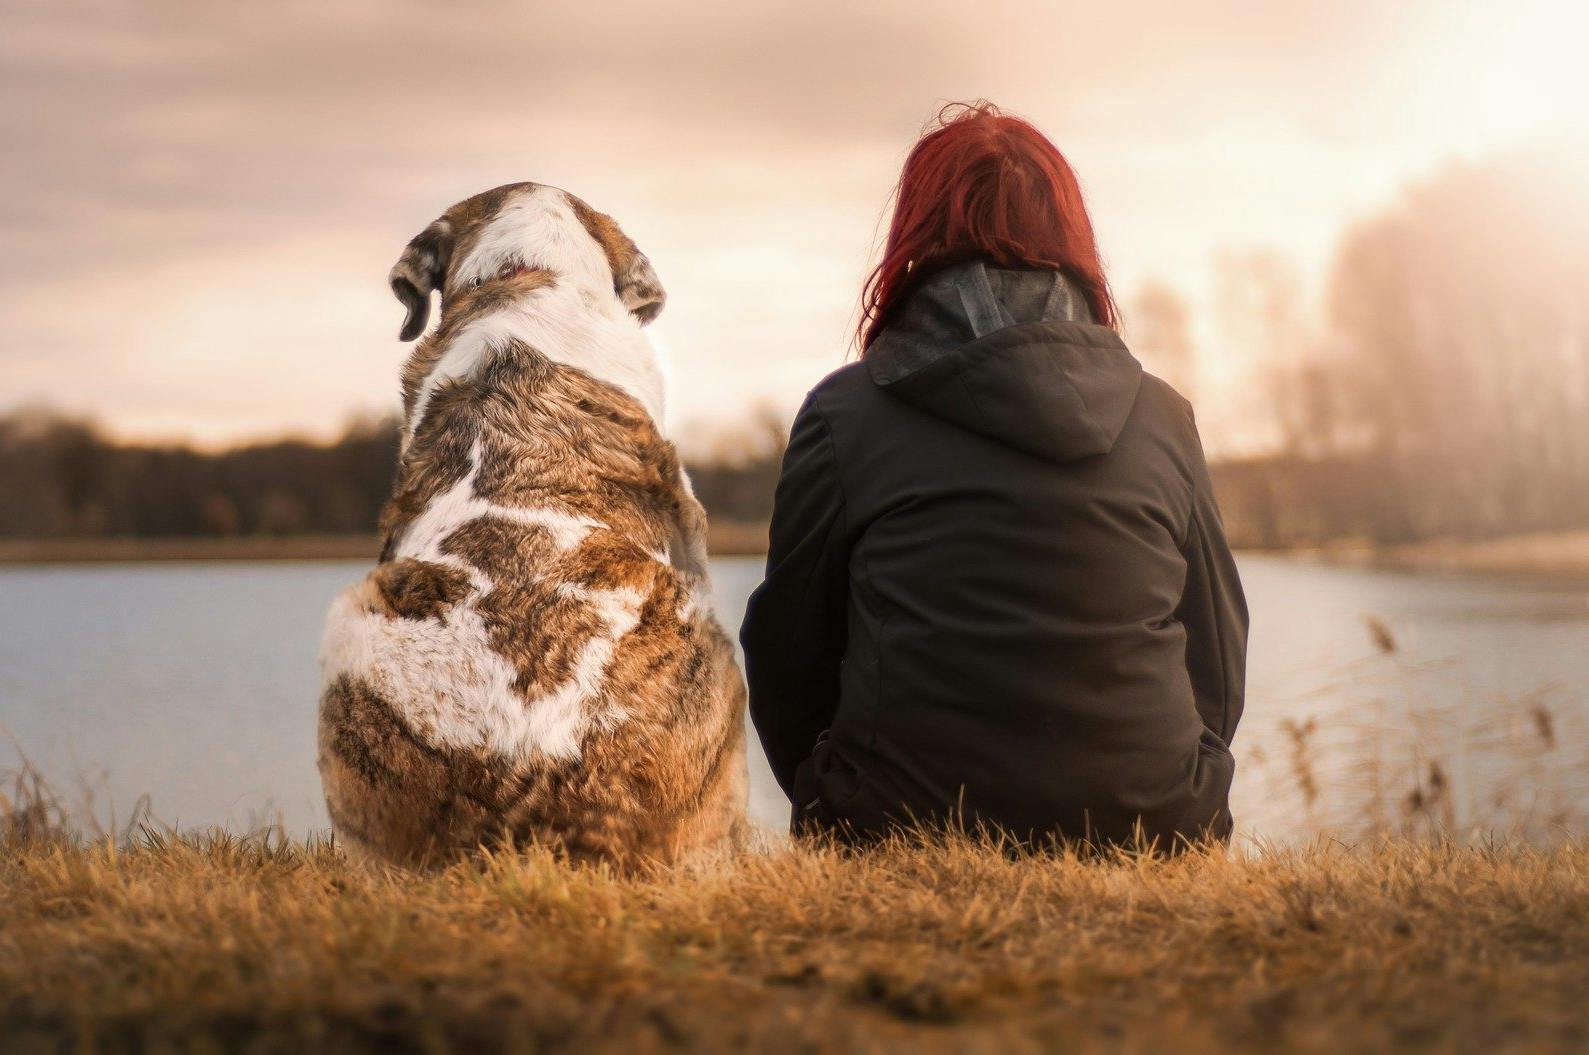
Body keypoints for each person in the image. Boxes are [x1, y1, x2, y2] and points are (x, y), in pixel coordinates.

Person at [740, 102, 1248, 851]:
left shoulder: (845, 414)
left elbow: (788, 652)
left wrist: (833, 793)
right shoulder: (1162, 415)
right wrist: (1181, 781)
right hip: (1154, 824)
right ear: (1071, 236)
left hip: (895, 824)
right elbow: (1217, 649)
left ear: (915, 235)